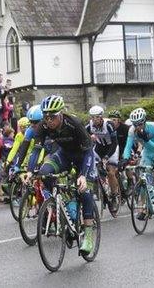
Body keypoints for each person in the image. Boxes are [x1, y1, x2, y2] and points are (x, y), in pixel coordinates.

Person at [25, 95, 97, 254]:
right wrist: (30, 171)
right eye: (45, 116)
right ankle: (59, 206)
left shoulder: (74, 123)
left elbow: (88, 151)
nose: (48, 120)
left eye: (52, 117)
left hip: (83, 157)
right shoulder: (43, 126)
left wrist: (83, 175)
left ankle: (89, 235)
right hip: (64, 155)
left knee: (84, 191)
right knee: (44, 174)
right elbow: (36, 150)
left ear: (61, 114)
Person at [122, 108, 154, 219]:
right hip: (147, 154)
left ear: (144, 121)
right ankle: (144, 208)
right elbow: (128, 146)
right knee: (144, 179)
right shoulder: (132, 130)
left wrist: (147, 140)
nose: (137, 127)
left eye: (140, 124)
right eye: (135, 124)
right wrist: (125, 159)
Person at [86, 105, 120, 212]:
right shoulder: (89, 126)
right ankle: (98, 187)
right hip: (99, 149)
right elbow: (83, 137)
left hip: (112, 149)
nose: (94, 120)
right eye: (92, 117)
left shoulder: (109, 125)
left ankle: (114, 196)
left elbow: (114, 143)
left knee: (110, 172)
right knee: (90, 168)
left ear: (101, 117)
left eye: (97, 117)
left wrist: (106, 157)